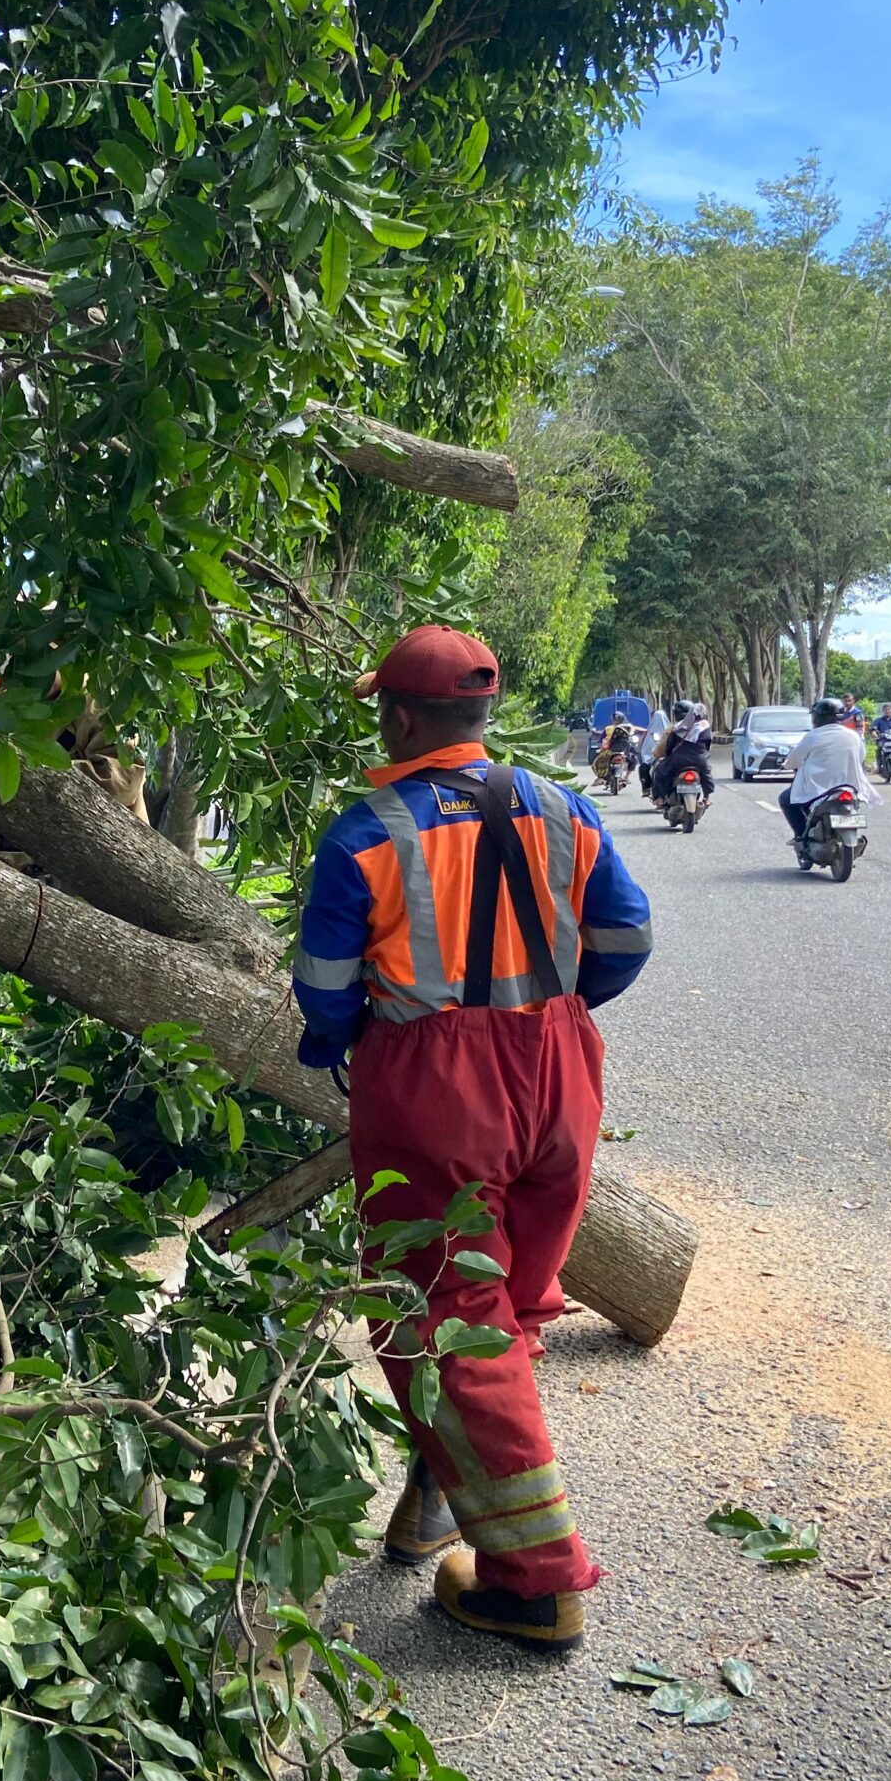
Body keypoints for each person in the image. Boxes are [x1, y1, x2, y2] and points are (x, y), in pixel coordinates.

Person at [292, 624, 653, 1650]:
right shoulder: (564, 808)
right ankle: (444, 1490)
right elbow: (625, 939)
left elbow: (321, 995)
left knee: (444, 1318)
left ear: (401, 718)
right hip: (557, 1070)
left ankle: (537, 1582)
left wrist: (340, 1045)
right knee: (508, 1305)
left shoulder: (365, 834)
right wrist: (547, 1013)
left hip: (436, 1086)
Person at [780, 698, 876, 843]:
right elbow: (860, 756)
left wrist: (785, 765)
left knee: (785, 799)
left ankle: (801, 836)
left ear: (818, 717)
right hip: (850, 787)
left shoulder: (813, 736)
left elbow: (794, 759)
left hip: (818, 789)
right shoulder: (854, 736)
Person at [649, 699, 717, 801]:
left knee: (660, 771)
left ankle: (660, 799)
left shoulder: (677, 728)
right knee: (706, 774)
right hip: (700, 760)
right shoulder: (705, 727)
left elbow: (668, 746)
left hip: (678, 760)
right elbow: (708, 745)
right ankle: (707, 798)